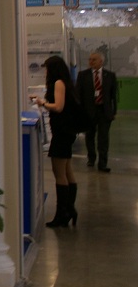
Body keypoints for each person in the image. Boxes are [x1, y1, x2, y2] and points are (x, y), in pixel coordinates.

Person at [34, 55, 81, 227]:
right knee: (67, 170)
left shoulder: (58, 83)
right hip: (66, 131)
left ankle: (62, 213)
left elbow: (58, 107)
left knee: (59, 172)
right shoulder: (66, 83)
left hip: (62, 132)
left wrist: (43, 104)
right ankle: (70, 209)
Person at [76, 52, 118, 172]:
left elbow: (113, 95)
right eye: (90, 59)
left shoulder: (110, 75)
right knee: (89, 136)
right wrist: (80, 112)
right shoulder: (83, 75)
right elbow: (78, 94)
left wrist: (114, 111)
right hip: (89, 111)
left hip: (104, 111)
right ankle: (91, 158)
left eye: (94, 59)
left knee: (103, 138)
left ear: (101, 61)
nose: (91, 62)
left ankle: (103, 163)